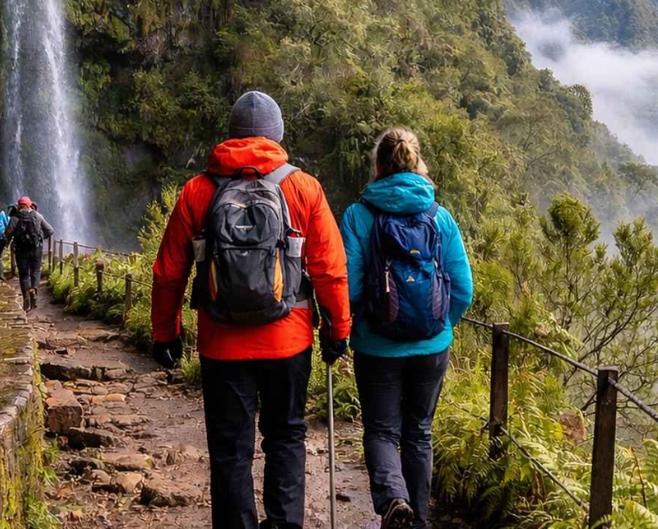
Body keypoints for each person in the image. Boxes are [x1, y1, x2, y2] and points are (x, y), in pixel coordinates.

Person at [151, 90, 352, 529]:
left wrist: (164, 333)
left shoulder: (198, 191)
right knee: (286, 437)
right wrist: (338, 328)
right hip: (289, 339)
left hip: (221, 344)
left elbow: (169, 272)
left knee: (230, 448)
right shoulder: (303, 187)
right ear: (277, 135)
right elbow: (330, 269)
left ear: (232, 134)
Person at [340, 128, 473, 529]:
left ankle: (393, 499)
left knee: (381, 430)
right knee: (419, 432)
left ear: (378, 165)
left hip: (377, 347)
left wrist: (356, 325)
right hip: (431, 348)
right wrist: (438, 326)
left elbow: (350, 285)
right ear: (417, 164)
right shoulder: (439, 215)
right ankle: (417, 521)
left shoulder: (359, 215)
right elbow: (462, 287)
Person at [6, 196, 53, 311]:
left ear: (18, 205)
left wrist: (8, 243)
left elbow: (8, 233)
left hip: (21, 250)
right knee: (36, 271)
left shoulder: (15, 218)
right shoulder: (37, 215)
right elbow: (50, 230)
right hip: (36, 249)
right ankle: (34, 293)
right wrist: (40, 238)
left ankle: (26, 298)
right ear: (29, 205)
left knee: (23, 274)